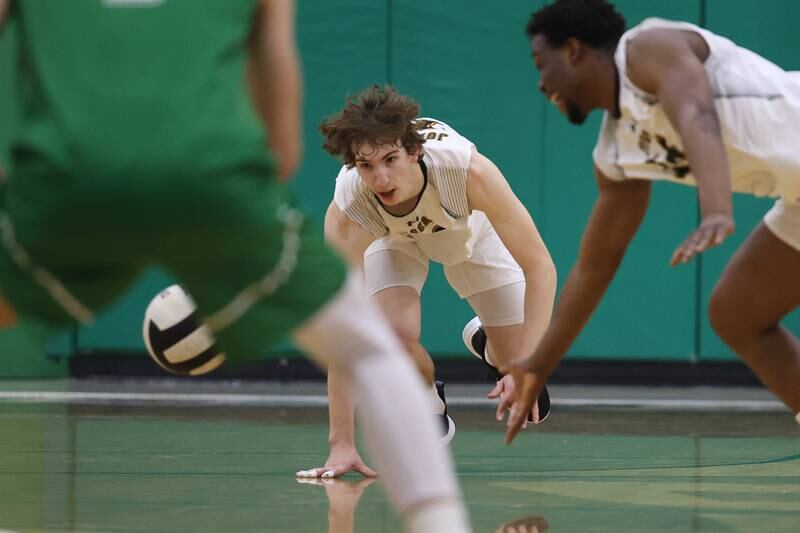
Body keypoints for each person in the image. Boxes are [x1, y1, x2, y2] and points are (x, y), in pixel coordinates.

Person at [0, 1, 472, 531]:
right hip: (212, 176)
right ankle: (440, 522)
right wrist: (268, 182)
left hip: (69, 173)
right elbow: (274, 68)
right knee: (370, 348)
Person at [505, 0, 800, 442]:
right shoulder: (615, 156)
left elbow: (695, 112)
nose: (539, 82)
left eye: (539, 62)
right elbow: (594, 267)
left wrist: (716, 209)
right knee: (737, 314)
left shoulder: (648, 47)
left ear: (573, 50)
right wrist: (539, 364)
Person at [299, 85, 556, 477]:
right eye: (366, 166)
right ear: (353, 165)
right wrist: (342, 445)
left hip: (469, 231)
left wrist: (529, 368)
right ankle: (427, 396)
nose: (381, 177)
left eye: (390, 159)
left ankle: (492, 348)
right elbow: (343, 328)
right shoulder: (350, 209)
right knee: (392, 333)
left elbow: (540, 266)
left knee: (523, 379)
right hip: (391, 240)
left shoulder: (469, 173)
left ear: (414, 151)